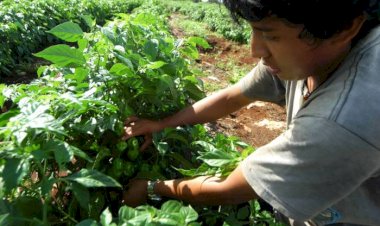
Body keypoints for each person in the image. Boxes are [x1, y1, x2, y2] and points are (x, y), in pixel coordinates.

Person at [122, 0, 380, 225]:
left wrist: (151, 188)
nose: (255, 50)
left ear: (343, 28)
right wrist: (162, 123)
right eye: (254, 30)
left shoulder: (341, 120)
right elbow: (233, 96)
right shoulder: (315, 54)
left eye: (270, 35)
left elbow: (230, 189)